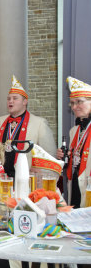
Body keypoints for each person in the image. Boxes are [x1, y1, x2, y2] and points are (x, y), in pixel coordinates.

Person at [0, 75, 56, 178]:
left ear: (25, 102)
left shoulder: (39, 123)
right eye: (9, 99)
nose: (10, 101)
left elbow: (50, 155)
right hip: (1, 178)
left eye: (15, 98)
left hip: (26, 179)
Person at [57, 76, 91, 207]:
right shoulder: (74, 130)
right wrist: (64, 157)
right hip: (76, 187)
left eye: (79, 102)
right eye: (72, 103)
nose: (75, 106)